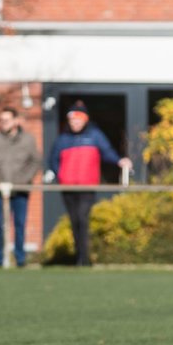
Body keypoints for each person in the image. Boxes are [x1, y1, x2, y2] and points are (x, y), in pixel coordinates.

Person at [45, 101, 132, 267]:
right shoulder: (63, 139)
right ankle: (79, 256)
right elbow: (53, 160)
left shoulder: (95, 136)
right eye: (72, 120)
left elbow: (107, 152)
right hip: (68, 186)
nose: (75, 123)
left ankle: (85, 258)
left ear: (84, 120)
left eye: (78, 119)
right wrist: (59, 175)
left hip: (87, 186)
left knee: (82, 218)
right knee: (74, 220)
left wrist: (120, 160)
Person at [0, 106, 44, 268]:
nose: (3, 123)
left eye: (7, 120)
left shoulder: (28, 139)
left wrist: (23, 180)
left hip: (20, 188)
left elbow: (35, 161)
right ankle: (0, 258)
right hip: (0, 189)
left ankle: (20, 258)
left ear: (16, 121)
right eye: (1, 120)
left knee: (19, 223)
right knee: (1, 224)